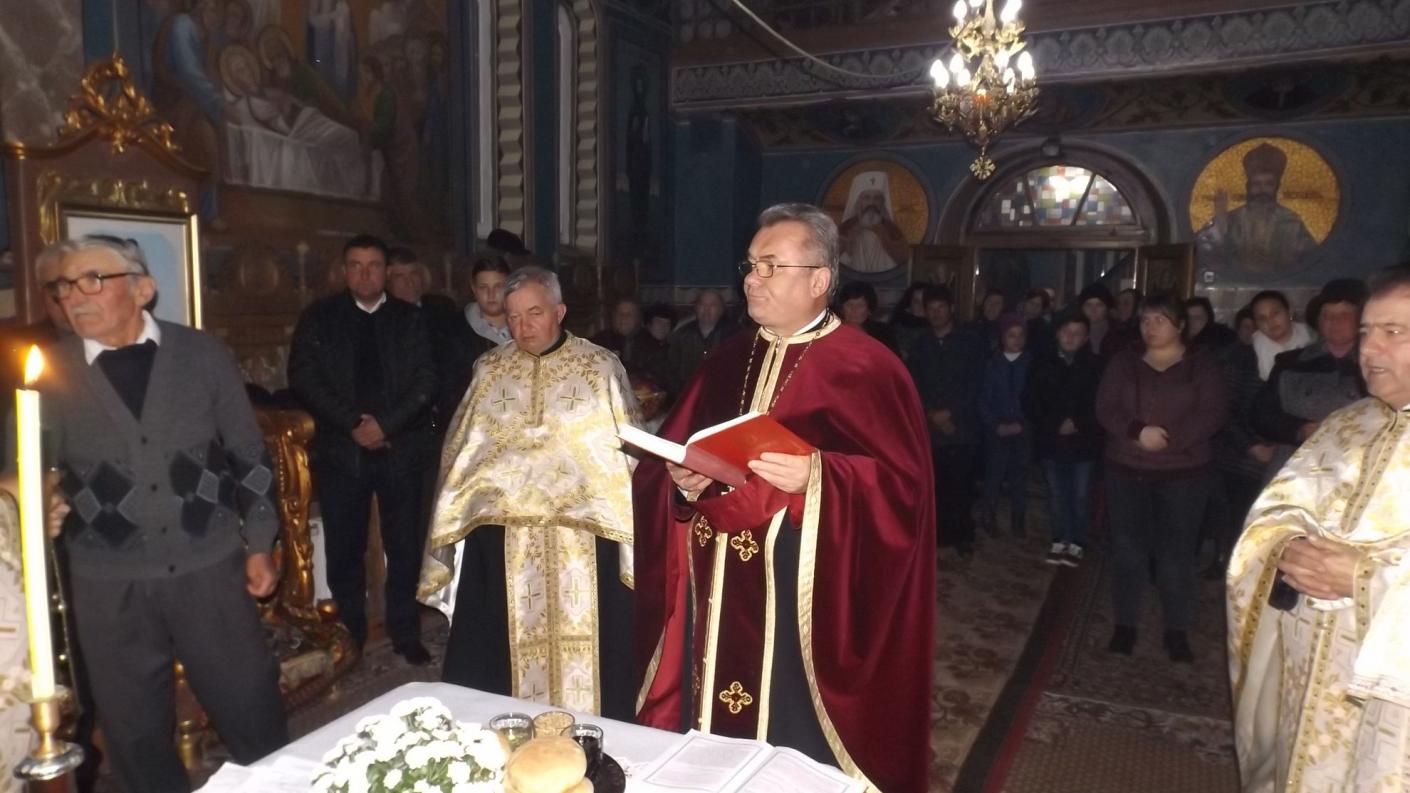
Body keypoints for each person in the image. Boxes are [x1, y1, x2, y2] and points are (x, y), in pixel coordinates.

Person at [633, 203, 935, 793]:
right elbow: (679, 457)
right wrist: (683, 481)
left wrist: (821, 476)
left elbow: (906, 492)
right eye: (751, 265)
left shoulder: (869, 367)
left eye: (771, 266)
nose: (752, 279)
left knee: (792, 741)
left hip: (804, 590)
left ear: (819, 279)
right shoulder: (726, 359)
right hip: (718, 581)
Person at [35, 236, 286, 791]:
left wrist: (260, 542)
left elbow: (249, 455)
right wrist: (39, 501)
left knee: (252, 710)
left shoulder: (201, 355)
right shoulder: (48, 372)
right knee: (135, 736)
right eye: (64, 286)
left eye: (92, 280)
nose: (74, 296)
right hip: (107, 583)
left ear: (142, 289)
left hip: (209, 568)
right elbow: (27, 466)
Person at [419, 267, 639, 717]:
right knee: (497, 647)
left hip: (586, 532)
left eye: (534, 313)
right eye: (514, 316)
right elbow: (462, 449)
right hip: (506, 534)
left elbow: (630, 447)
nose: (523, 327)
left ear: (559, 311)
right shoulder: (489, 370)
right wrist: (464, 508)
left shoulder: (599, 367)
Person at [1228, 263, 1410, 792]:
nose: (1370, 349)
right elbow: (1277, 509)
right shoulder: (1347, 424)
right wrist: (1285, 546)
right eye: (1367, 332)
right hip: (1310, 663)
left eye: (1394, 332)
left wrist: (1362, 577)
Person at [288, 234, 436, 664]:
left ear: (386, 272)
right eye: (356, 265)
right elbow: (304, 378)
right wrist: (352, 423)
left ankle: (404, 630)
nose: (365, 274)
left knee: (404, 547)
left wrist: (386, 424)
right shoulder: (320, 318)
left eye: (373, 265)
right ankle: (350, 634)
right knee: (344, 550)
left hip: (399, 448)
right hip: (342, 451)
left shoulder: (410, 319)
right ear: (344, 270)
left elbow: (427, 379)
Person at [1096, 294, 1227, 662]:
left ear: (1180, 325)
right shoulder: (1124, 361)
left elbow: (1212, 413)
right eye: (1145, 320)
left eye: (1159, 320)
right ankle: (1125, 624)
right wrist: (1137, 432)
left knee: (1176, 554)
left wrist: (1168, 441)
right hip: (1126, 469)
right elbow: (1106, 406)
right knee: (1128, 550)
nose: (1150, 327)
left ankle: (1176, 629)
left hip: (1183, 473)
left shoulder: (1202, 365)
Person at [1251, 278, 1366, 473]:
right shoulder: (1290, 363)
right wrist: (1299, 430)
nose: (1334, 321)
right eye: (1327, 315)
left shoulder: (1376, 363)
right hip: (1295, 470)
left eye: (1344, 314)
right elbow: (1262, 413)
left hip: (1355, 468)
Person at [910, 285, 986, 555]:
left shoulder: (971, 342)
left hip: (963, 425)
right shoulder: (920, 344)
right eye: (931, 309)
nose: (936, 313)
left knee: (962, 483)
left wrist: (951, 413)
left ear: (951, 309)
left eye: (941, 308)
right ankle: (936, 533)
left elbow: (976, 382)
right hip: (930, 426)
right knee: (934, 484)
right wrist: (932, 414)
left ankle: (962, 533)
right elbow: (913, 383)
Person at [1024, 313, 1102, 566]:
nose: (1071, 337)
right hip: (1051, 440)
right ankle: (1059, 538)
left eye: (1077, 333)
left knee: (1079, 496)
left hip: (1083, 443)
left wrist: (1078, 422)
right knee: (1056, 494)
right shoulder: (1041, 362)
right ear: (1057, 333)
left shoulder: (1095, 365)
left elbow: (1100, 403)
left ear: (1086, 338)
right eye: (1067, 331)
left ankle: (1078, 540)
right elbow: (1031, 401)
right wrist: (1053, 424)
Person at [388, 247, 487, 433]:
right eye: (399, 276)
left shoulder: (441, 308)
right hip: (403, 415)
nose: (409, 282)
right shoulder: (383, 320)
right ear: (387, 281)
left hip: (446, 405)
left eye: (414, 273)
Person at [1197, 142, 1317, 274]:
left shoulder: (1291, 221)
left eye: (1268, 184)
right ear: (1248, 187)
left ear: (1277, 187)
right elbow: (1203, 251)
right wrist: (1220, 225)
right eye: (1256, 184)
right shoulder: (1231, 218)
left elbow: (1309, 259)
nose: (1262, 190)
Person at [979, 314, 1031, 537]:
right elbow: (983, 398)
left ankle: (1018, 518)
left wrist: (1023, 424)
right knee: (994, 474)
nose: (1016, 340)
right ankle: (988, 515)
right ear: (1002, 337)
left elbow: (1036, 399)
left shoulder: (1031, 364)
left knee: (1019, 476)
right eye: (1011, 335)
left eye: (1020, 335)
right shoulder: (992, 364)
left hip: (1023, 429)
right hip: (997, 429)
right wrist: (994, 424)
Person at [836, 171, 910, 273]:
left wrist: (883, 235)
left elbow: (904, 261)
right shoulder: (845, 229)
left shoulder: (892, 231)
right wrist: (849, 248)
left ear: (883, 204)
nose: (872, 203)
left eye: (877, 198)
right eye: (867, 198)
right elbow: (833, 262)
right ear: (858, 202)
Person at [667, 289, 738, 393]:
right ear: (696, 308)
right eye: (702, 305)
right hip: (688, 393)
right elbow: (671, 369)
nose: (706, 309)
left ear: (721, 309)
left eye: (713, 305)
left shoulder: (734, 335)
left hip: (723, 393)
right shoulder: (682, 335)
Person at [592, 296, 671, 389]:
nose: (623, 318)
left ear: (638, 319)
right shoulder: (600, 340)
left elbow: (660, 379)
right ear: (613, 317)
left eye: (629, 314)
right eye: (620, 314)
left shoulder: (652, 345)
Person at [1250, 289, 1314, 380]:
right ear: (1256, 324)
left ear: (1289, 311)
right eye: (1262, 318)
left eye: (1275, 313)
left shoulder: (1312, 336)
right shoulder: (1250, 350)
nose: (1270, 321)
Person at [835, 280, 900, 354]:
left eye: (860, 306)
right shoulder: (833, 330)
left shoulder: (883, 332)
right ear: (842, 308)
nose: (854, 310)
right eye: (849, 305)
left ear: (869, 309)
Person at [464, 255, 513, 347]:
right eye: (483, 287)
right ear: (474, 289)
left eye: (498, 286)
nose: (491, 294)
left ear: (509, 287)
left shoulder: (525, 327)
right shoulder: (456, 332)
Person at [1077, 282, 1131, 361]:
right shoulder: (1073, 331)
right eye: (1088, 305)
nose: (1093, 310)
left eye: (1099, 305)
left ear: (1107, 308)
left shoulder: (1120, 333)